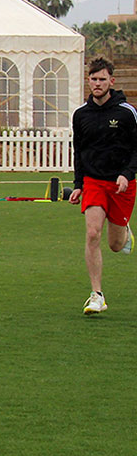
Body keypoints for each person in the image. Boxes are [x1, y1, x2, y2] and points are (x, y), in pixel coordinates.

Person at [69, 56, 137, 315]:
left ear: (112, 81)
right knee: (92, 233)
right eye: (93, 79)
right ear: (88, 81)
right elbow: (79, 151)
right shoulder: (81, 115)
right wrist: (78, 184)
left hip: (121, 184)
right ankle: (96, 294)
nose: (97, 83)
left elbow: (136, 149)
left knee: (115, 245)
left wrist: (127, 174)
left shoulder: (127, 112)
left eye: (101, 79)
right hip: (94, 182)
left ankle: (124, 231)